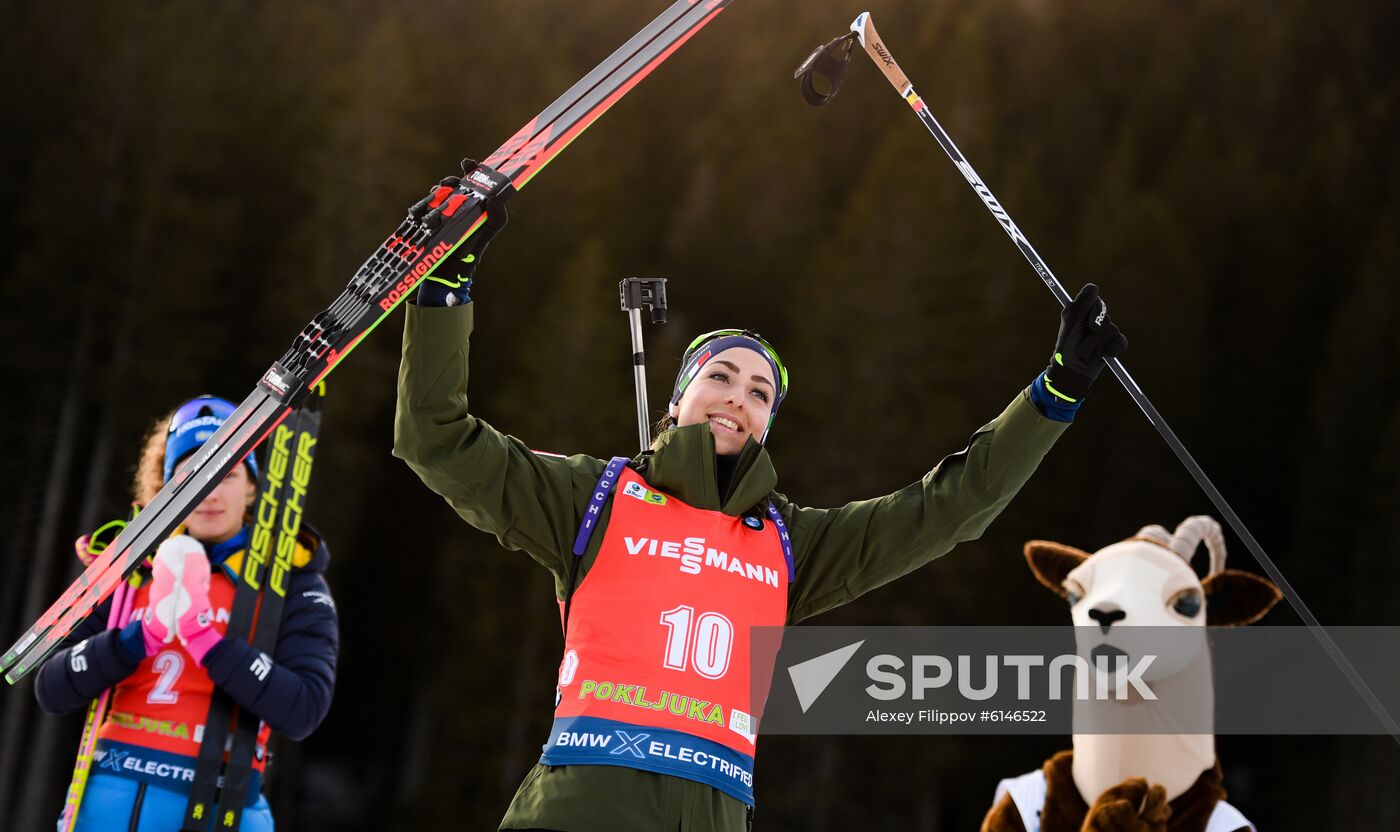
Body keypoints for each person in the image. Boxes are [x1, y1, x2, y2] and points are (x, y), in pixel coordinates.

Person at [394, 247, 1126, 831]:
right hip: (584, 805)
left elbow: (945, 510)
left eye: (759, 393)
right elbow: (437, 439)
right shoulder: (594, 498)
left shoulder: (790, 545)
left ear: (768, 424)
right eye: (720, 376)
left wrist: (1055, 394)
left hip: (715, 810)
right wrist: (444, 290)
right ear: (680, 397)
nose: (736, 398)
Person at [35, 396, 339, 831]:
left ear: (252, 486)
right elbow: (51, 686)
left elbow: (304, 709)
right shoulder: (132, 566)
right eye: (192, 474)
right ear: (167, 485)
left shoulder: (290, 581)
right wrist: (137, 638)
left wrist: (209, 644)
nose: (209, 492)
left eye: (227, 474)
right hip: (111, 798)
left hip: (222, 802)